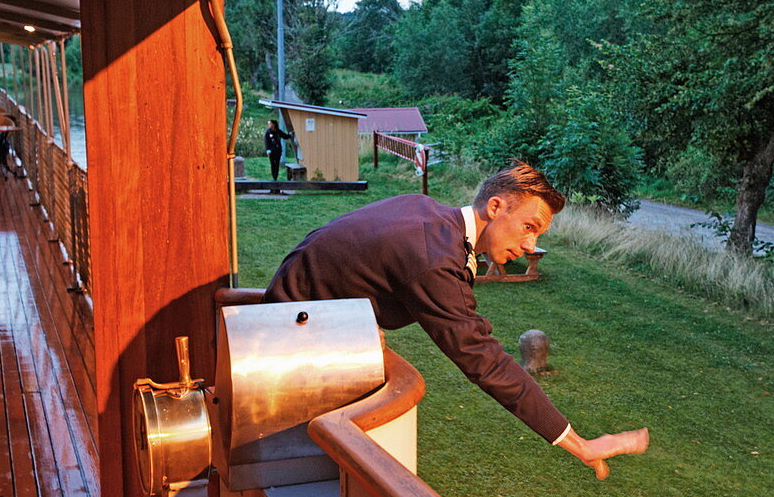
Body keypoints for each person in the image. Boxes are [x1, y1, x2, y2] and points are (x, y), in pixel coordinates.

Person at [265, 162, 649, 479]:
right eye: (529, 227)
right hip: (289, 346)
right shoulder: (433, 258)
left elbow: (340, 255)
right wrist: (579, 445)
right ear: (495, 207)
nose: (531, 246)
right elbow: (483, 360)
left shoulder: (428, 211)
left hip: (301, 319)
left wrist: (361, 324)